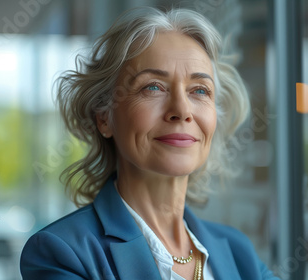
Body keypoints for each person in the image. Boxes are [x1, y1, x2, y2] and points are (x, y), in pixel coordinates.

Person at [20, 6, 279, 280]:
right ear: (104, 117)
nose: (182, 109)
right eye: (152, 87)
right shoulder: (62, 253)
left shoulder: (238, 252)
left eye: (200, 90)